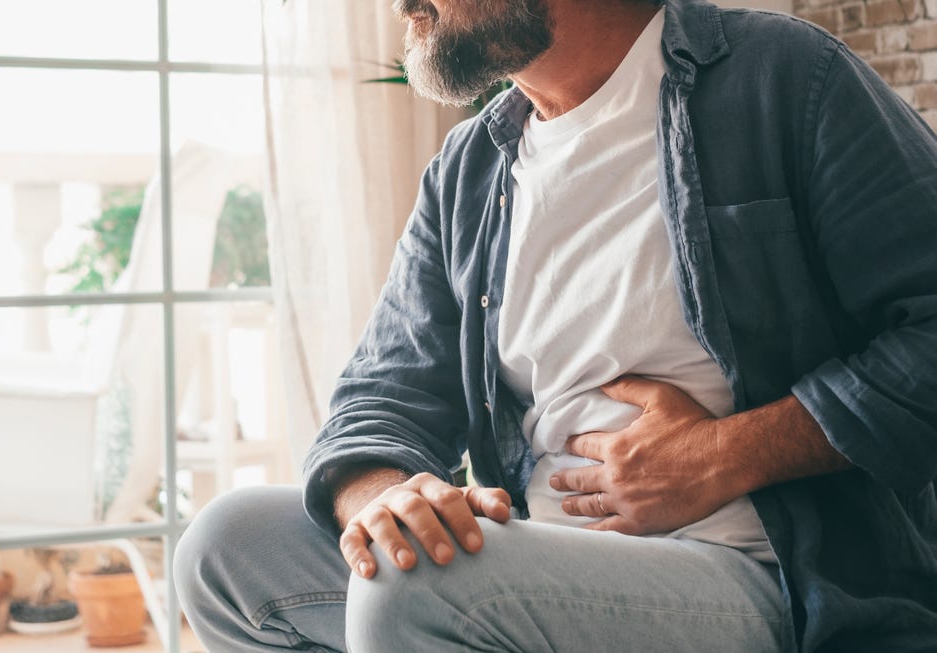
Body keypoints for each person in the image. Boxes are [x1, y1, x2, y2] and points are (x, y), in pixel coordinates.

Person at [174, 0, 937, 650]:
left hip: (770, 577)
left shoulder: (787, 80)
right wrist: (384, 497)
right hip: (536, 563)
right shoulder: (469, 173)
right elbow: (381, 394)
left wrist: (726, 454)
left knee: (415, 592)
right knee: (227, 545)